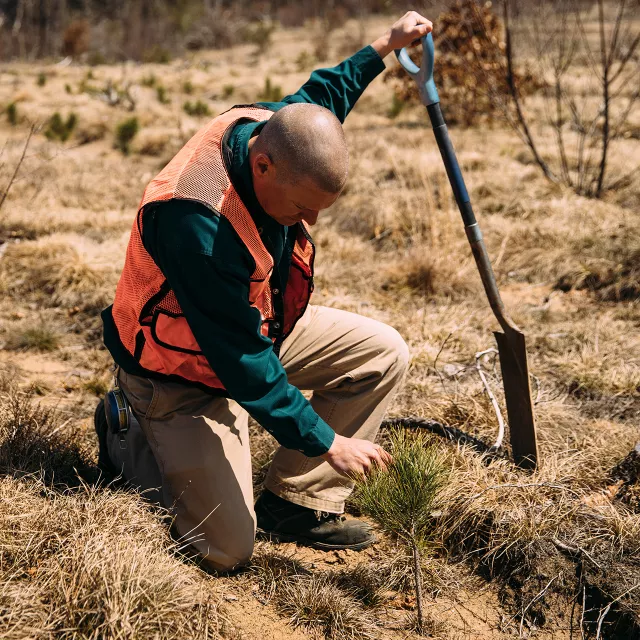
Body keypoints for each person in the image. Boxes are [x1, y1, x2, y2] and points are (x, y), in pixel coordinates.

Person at [95, 11, 433, 572]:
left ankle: (295, 502)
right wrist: (327, 440)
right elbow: (241, 361)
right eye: (303, 209)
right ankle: (124, 432)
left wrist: (385, 45)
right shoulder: (196, 222)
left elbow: (324, 96)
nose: (311, 223)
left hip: (252, 332)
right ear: (263, 165)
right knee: (226, 549)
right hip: (175, 376)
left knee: (382, 353)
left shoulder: (275, 130)